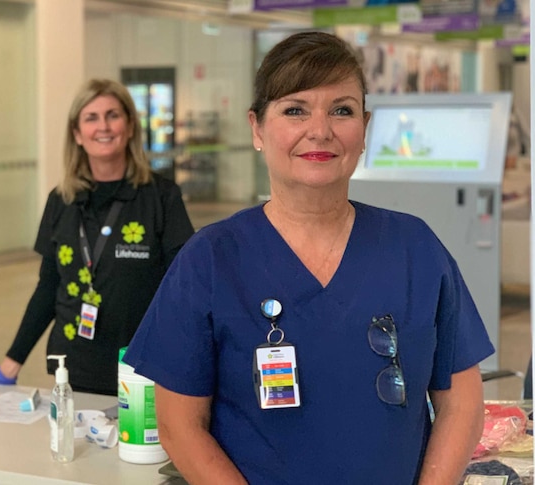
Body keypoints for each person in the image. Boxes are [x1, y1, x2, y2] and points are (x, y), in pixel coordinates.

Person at [123, 32, 493, 485]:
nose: (320, 130)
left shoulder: (415, 248)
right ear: (257, 128)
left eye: (342, 110)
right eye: (295, 109)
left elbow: (462, 403)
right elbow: (179, 426)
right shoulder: (211, 260)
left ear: (364, 128)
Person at [0, 79, 194, 395]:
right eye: (91, 118)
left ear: (131, 126)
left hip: (141, 365)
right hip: (74, 364)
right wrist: (11, 362)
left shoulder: (161, 197)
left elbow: (184, 288)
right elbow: (48, 287)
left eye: (113, 115)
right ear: (77, 134)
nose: (103, 126)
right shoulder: (62, 199)